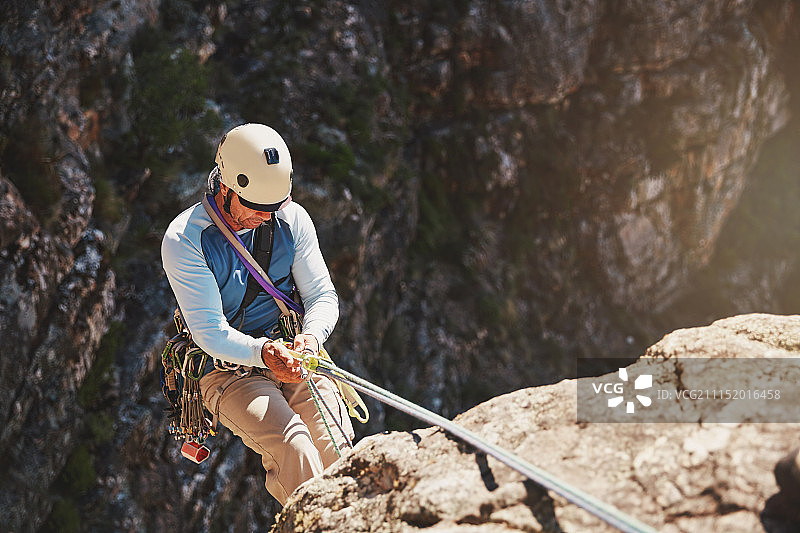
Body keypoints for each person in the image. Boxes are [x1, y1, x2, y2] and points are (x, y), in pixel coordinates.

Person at [161, 123, 354, 505]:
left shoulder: (292, 219)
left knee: (334, 442)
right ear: (227, 187)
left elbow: (321, 295)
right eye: (258, 208)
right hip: (225, 367)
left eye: (274, 208)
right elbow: (210, 333)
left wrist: (311, 339)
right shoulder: (185, 240)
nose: (266, 218)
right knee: (294, 446)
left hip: (294, 352)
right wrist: (264, 354)